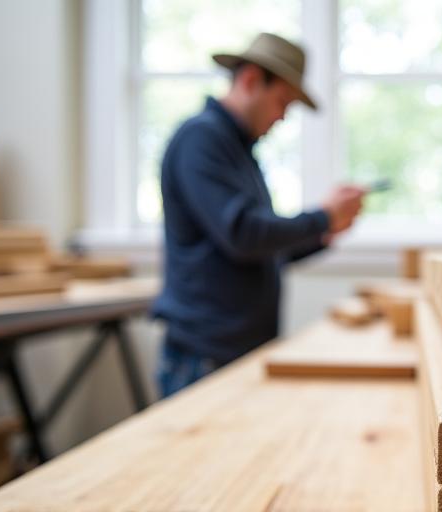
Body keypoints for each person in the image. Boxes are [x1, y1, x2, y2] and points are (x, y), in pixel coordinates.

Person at [153, 33, 365, 396]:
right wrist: (322, 217)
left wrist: (323, 234)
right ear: (251, 80)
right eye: (282, 101)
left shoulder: (239, 151)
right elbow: (242, 235)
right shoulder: (202, 140)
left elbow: (262, 249)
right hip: (205, 357)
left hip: (234, 351)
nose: (283, 116)